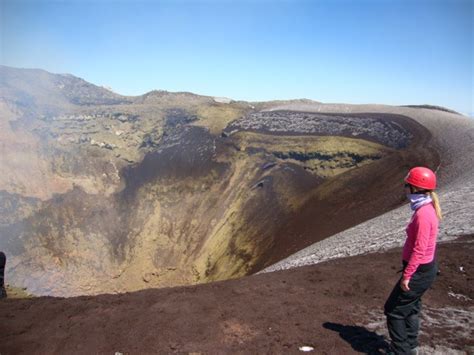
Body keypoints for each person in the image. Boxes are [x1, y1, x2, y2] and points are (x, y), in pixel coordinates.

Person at [384, 166, 442, 354]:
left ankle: (401, 350)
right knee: (410, 307)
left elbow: (420, 248)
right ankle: (410, 347)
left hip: (418, 271)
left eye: (407, 185)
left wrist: (408, 275)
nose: (405, 189)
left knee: (393, 310)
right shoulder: (425, 208)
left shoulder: (423, 214)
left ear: (415, 189)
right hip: (422, 269)